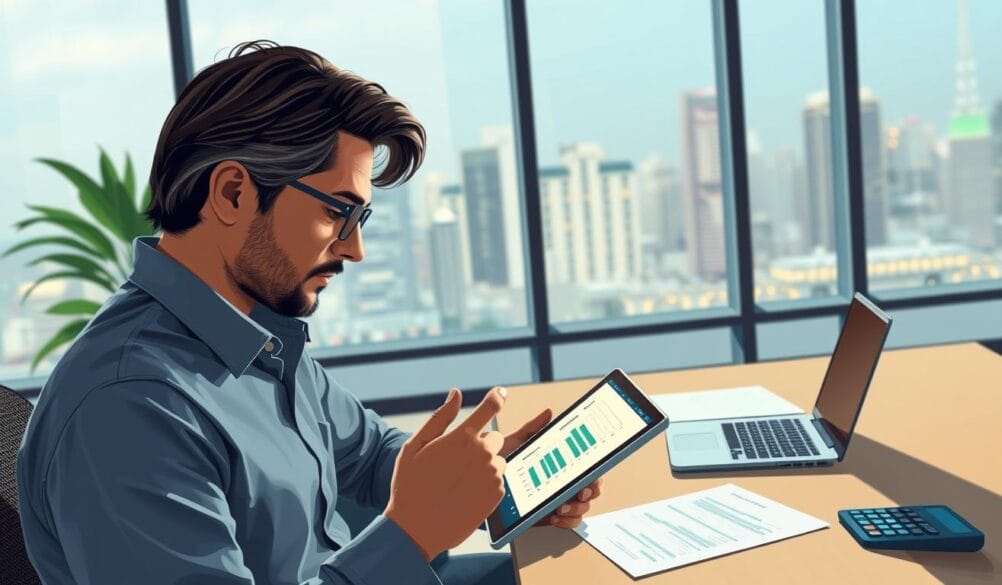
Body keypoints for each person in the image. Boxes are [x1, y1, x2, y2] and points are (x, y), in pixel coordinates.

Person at [16, 40, 601, 585]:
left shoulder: (255, 334)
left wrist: (489, 481)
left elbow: (368, 453)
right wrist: (411, 533)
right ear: (232, 194)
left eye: (361, 220)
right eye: (337, 213)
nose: (354, 248)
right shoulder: (130, 408)